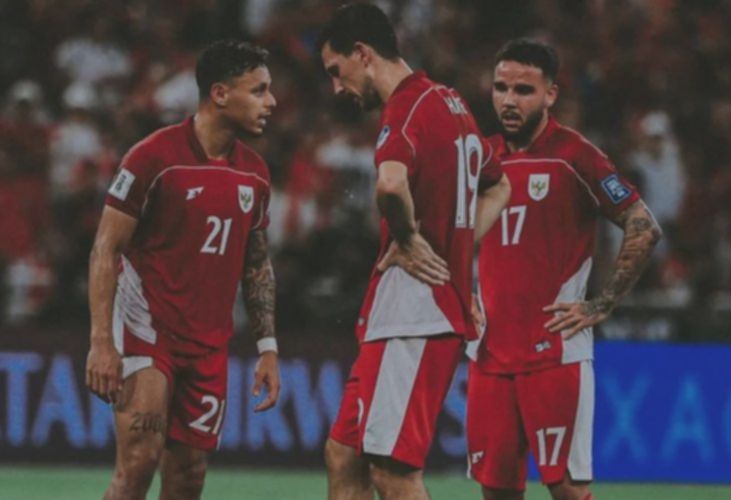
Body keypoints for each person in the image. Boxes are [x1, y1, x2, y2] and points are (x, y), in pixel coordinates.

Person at [317, 4, 510, 499]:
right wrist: (456, 251)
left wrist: (408, 238)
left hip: (417, 313)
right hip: (406, 312)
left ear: (362, 53)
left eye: (337, 71)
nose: (337, 87)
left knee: (393, 472)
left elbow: (390, 184)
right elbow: (499, 184)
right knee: (344, 452)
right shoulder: (449, 102)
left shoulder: (404, 109)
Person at [465, 39, 662, 500]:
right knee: (495, 492)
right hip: (489, 354)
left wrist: (601, 303)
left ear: (550, 94)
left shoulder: (574, 155)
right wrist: (460, 291)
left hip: (554, 353)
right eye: (501, 88)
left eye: (524, 90)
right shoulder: (481, 159)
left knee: (568, 490)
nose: (509, 100)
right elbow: (448, 235)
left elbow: (644, 227)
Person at [85, 40, 280, 500]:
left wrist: (267, 347)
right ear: (220, 93)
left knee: (189, 478)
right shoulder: (153, 157)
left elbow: (256, 263)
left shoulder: (255, 174)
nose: (271, 102)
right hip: (147, 331)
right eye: (258, 90)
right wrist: (101, 342)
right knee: (138, 464)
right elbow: (105, 248)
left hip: (209, 344)